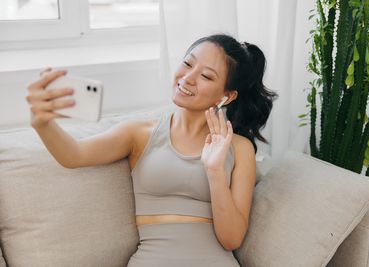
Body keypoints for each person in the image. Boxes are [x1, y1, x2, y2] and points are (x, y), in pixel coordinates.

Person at [25, 33, 277, 266]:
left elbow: (231, 240)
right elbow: (74, 155)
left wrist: (214, 172)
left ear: (228, 96)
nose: (187, 78)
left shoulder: (239, 148)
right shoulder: (139, 132)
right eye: (188, 64)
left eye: (206, 76)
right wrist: (42, 123)